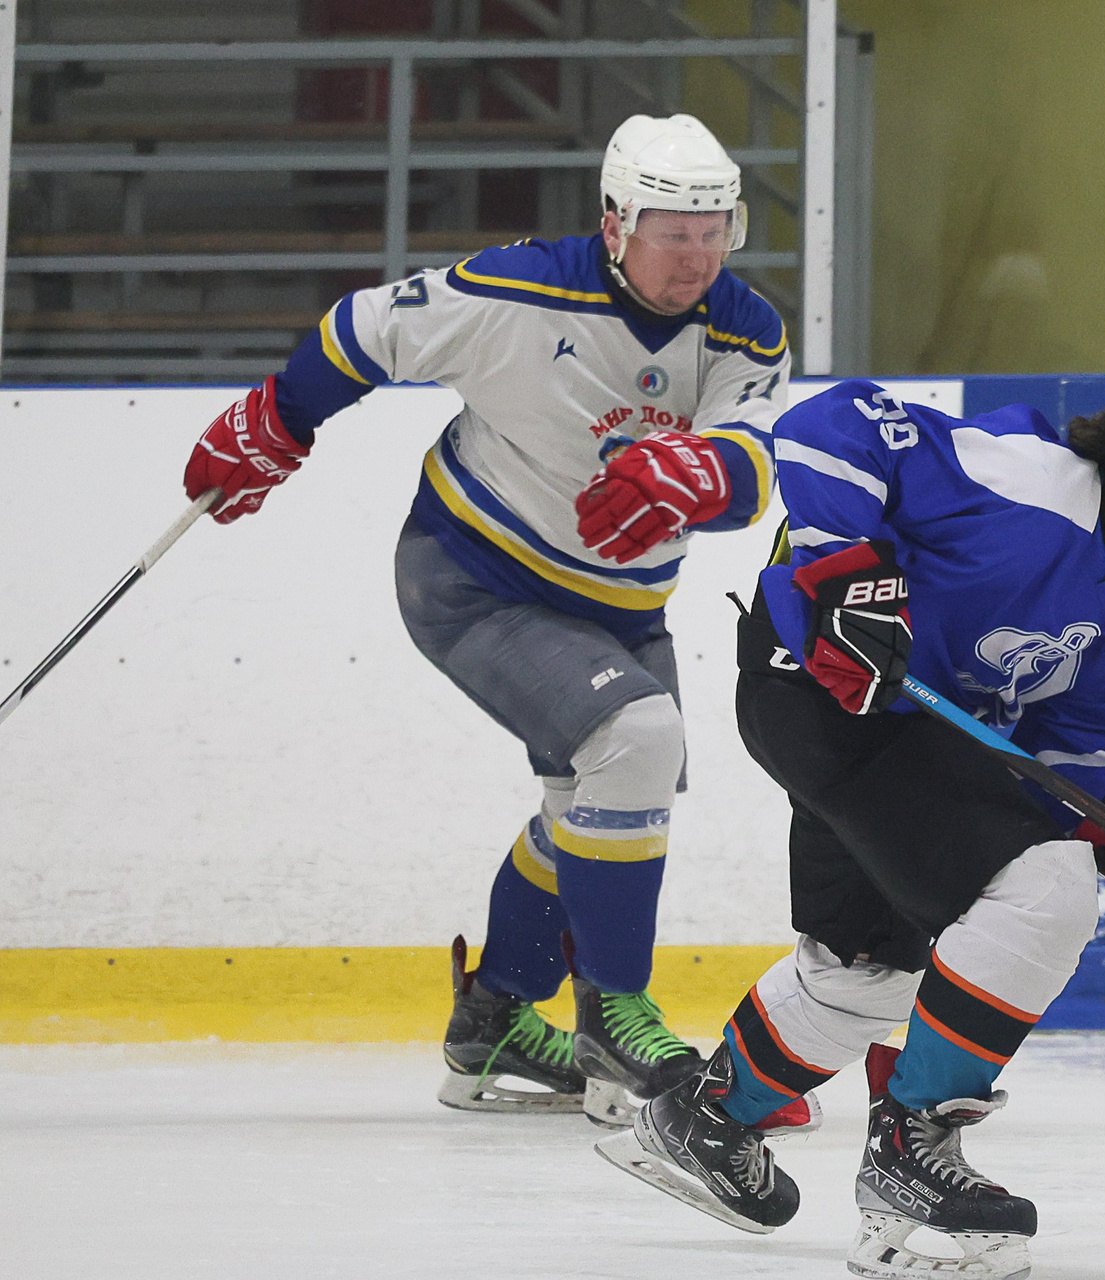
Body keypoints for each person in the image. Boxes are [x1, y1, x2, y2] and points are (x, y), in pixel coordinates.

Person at [597, 342, 1105, 1278]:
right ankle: (910, 1150)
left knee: (867, 972)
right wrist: (843, 569)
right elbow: (828, 426)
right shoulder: (1024, 479)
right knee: (1043, 890)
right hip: (817, 689)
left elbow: (1072, 752)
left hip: (924, 738)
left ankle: (705, 1118)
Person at [179, 114, 789, 1126]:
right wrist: (280, 415)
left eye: (713, 232)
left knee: (596, 799)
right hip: (474, 581)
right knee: (638, 741)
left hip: (623, 608)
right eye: (672, 233)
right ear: (615, 223)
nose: (696, 258)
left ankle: (494, 1017)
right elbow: (366, 329)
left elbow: (754, 461)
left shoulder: (746, 328)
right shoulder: (519, 291)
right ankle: (616, 1015)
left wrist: (702, 471)